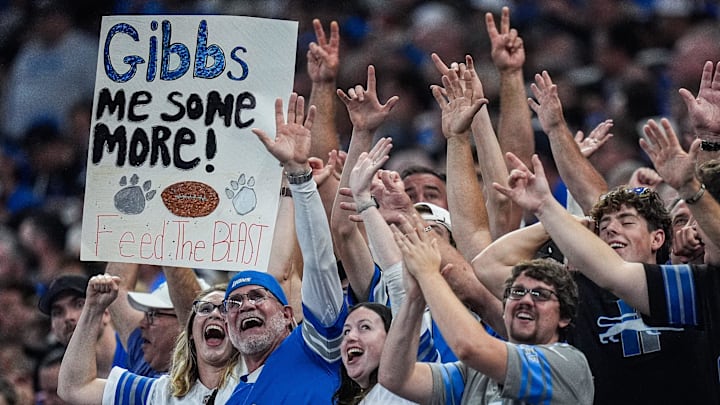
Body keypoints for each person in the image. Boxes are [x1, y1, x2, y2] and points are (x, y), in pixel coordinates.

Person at [379, 218, 593, 404]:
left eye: (540, 295)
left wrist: (428, 274)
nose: (526, 300)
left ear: (564, 317)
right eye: (517, 292)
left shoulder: (567, 363)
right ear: (504, 307)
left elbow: (470, 347)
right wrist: (415, 298)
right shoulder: (474, 374)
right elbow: (395, 378)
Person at [222, 92, 347, 403]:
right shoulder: (234, 398)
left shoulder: (315, 347)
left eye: (257, 296)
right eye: (233, 303)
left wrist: (299, 179)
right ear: (226, 325)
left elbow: (320, 265)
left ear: (289, 315)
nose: (246, 306)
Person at [58, 275, 243, 404]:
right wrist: (92, 309)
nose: (215, 314)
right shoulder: (159, 394)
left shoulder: (259, 382)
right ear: (190, 333)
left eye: (226, 309)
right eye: (205, 309)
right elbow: (74, 388)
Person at [38, 274, 127, 378]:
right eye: (57, 312)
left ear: (106, 312)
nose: (68, 317)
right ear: (53, 329)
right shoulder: (64, 379)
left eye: (79, 305)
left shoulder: (139, 355)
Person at [334, 302, 416, 405]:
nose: (350, 336)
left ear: (391, 338)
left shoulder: (408, 391)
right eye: (346, 331)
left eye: (365, 327)